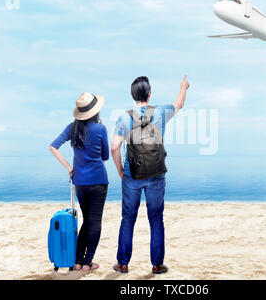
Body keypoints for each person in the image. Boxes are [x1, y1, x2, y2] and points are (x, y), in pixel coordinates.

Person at [111, 75, 190, 274]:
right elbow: (179, 104)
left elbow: (114, 147)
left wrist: (121, 170)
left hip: (132, 176)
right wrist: (183, 87)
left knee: (128, 219)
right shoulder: (161, 112)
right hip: (156, 175)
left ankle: (123, 263)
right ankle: (156, 265)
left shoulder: (123, 117)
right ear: (149, 93)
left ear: (132, 95)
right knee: (156, 219)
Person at [49, 92, 109, 272]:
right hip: (98, 181)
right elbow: (105, 156)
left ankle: (77, 261)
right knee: (95, 222)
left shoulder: (72, 128)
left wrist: (69, 167)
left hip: (80, 183)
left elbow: (53, 146)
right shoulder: (101, 129)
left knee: (86, 221)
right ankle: (87, 262)